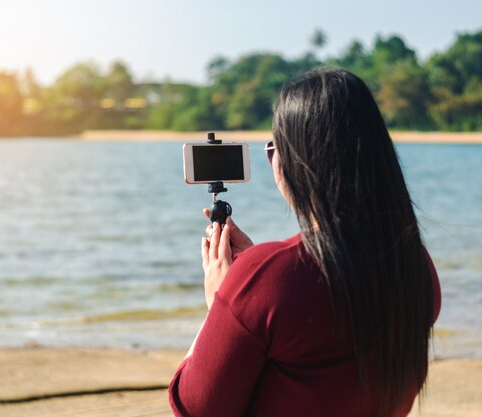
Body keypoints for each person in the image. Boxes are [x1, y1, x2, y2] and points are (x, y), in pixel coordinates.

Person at [168, 68, 441, 417]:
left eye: (273, 150)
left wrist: (227, 296)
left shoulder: (264, 278)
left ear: (297, 160)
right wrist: (251, 284)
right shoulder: (417, 266)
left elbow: (192, 408)